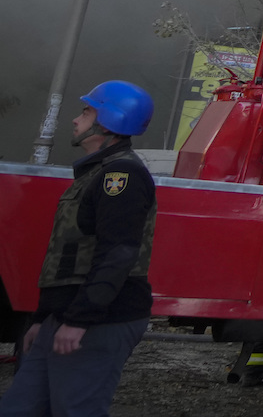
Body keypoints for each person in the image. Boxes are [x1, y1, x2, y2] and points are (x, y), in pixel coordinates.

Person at [0, 81, 158, 417]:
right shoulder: (96, 173)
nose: (76, 119)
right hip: (66, 316)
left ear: (110, 121)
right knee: (20, 408)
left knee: (76, 409)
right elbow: (68, 255)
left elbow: (117, 254)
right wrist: (44, 318)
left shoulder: (122, 176)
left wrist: (79, 321)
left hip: (99, 320)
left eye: (86, 111)